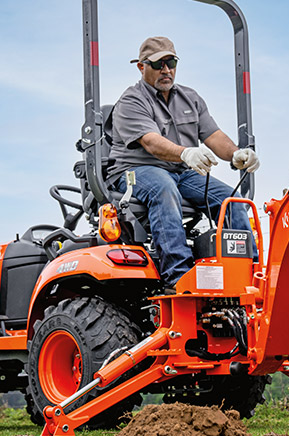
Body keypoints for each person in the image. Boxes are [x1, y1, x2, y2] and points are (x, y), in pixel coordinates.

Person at [106, 36, 260, 292]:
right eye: (158, 64)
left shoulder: (190, 98)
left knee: (230, 201)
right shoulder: (131, 101)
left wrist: (236, 154)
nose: (166, 70)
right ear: (142, 67)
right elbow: (152, 143)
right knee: (163, 188)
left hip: (181, 173)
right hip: (134, 172)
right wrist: (187, 154)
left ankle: (249, 274)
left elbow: (213, 136)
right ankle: (179, 278)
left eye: (171, 62)